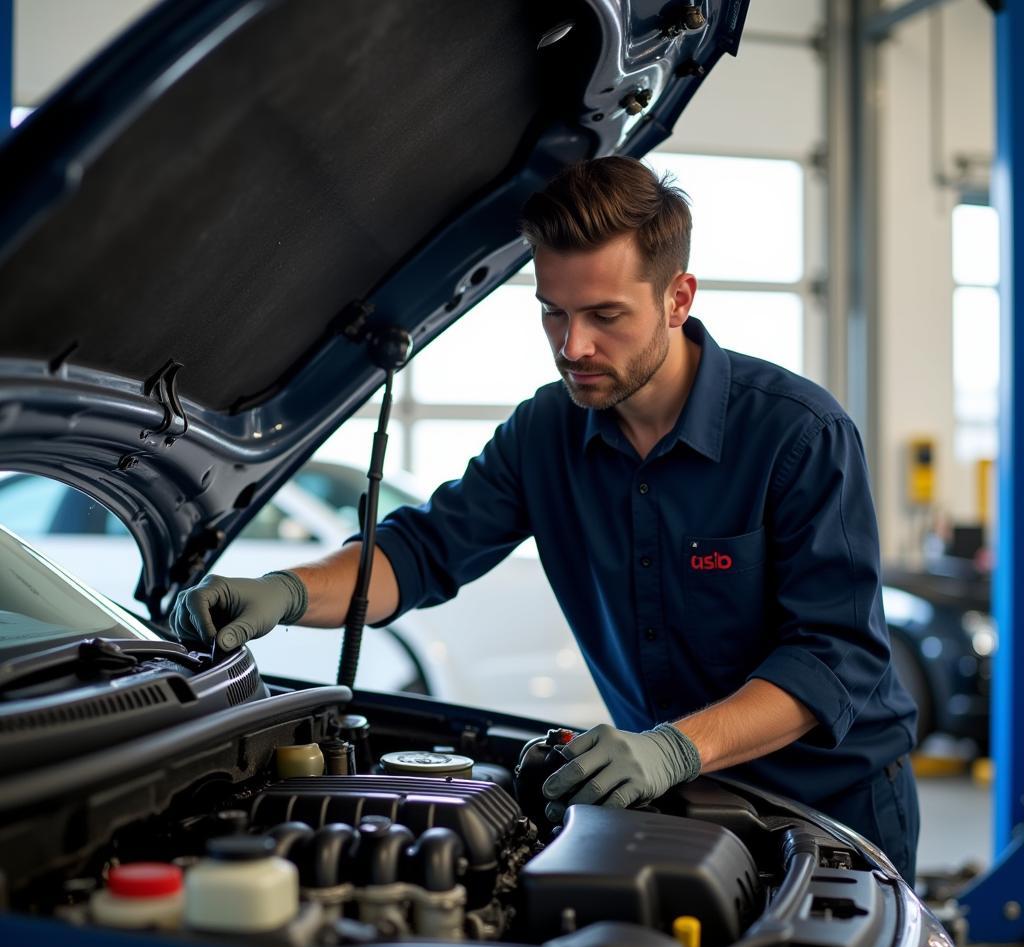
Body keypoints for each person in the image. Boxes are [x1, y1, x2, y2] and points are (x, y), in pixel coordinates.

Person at [171, 156, 920, 879]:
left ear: (678, 297)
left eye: (605, 315)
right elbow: (423, 552)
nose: (574, 346)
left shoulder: (797, 435)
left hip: (831, 812)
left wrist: (673, 748)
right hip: (673, 796)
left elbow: (833, 658)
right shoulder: (545, 434)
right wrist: (287, 591)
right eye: (552, 313)